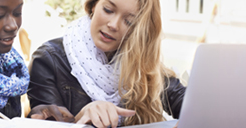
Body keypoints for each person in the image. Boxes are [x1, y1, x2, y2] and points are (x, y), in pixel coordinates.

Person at [27, 0, 186, 127]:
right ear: (93, 5)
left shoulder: (141, 63)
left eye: (129, 22)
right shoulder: (48, 60)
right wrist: (80, 119)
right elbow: (47, 122)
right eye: (108, 10)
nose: (113, 25)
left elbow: (191, 106)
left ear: (139, 30)